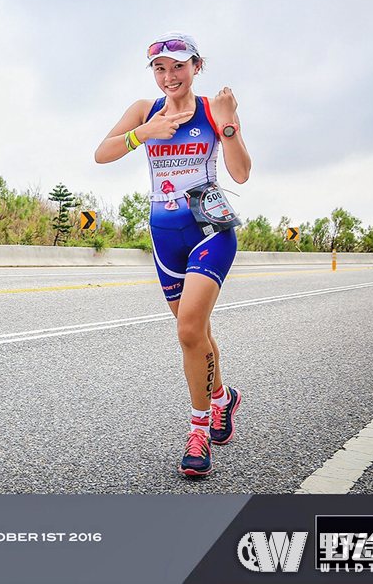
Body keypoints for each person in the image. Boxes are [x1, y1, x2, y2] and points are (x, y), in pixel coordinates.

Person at [95, 31, 251, 476]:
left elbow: (240, 173)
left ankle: (198, 429)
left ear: (197, 66)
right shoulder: (144, 110)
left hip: (209, 229)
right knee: (196, 332)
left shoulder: (211, 109)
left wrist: (228, 123)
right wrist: (143, 133)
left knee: (187, 331)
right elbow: (101, 154)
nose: (169, 76)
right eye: (160, 68)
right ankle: (222, 397)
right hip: (164, 234)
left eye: (179, 66)